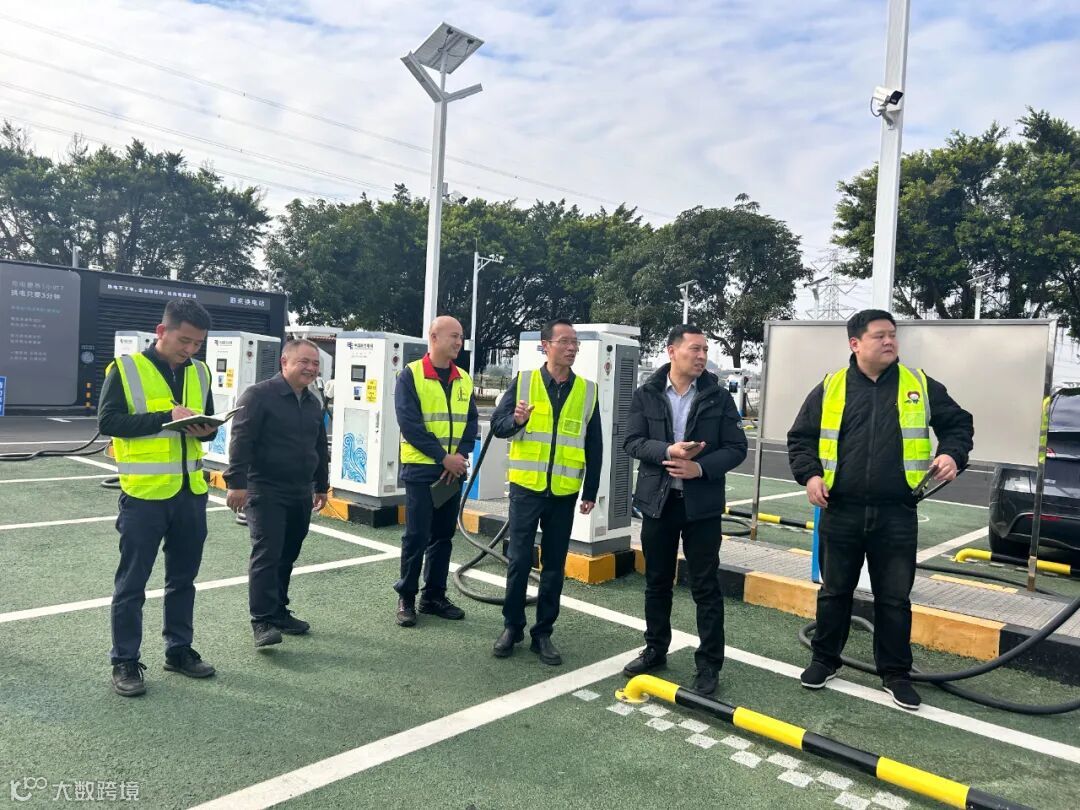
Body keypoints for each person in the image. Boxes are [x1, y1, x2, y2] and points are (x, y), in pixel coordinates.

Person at [787, 309, 973, 710]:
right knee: (834, 592)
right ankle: (824, 660)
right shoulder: (831, 386)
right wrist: (811, 476)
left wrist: (952, 454)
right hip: (841, 510)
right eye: (879, 336)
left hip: (897, 512)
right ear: (855, 344)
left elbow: (959, 425)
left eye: (893, 335)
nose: (889, 341)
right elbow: (800, 438)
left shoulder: (918, 384)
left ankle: (895, 674)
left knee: (894, 598)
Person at [98, 299, 218, 697]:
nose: (191, 349)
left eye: (198, 343)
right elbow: (108, 421)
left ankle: (178, 650)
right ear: (161, 331)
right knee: (132, 583)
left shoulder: (200, 372)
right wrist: (166, 419)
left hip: (191, 493)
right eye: (185, 341)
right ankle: (124, 660)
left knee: (183, 579)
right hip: (144, 495)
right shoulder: (126, 369)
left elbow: (209, 424)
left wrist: (206, 429)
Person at [622, 325, 747, 695]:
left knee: (706, 586)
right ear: (671, 351)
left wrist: (699, 468)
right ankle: (655, 649)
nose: (702, 356)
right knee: (657, 581)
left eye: (705, 349)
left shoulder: (718, 397)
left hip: (701, 507)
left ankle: (709, 665)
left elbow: (737, 447)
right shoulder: (647, 393)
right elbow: (632, 441)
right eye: (695, 348)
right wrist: (667, 451)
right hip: (658, 504)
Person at [489, 319, 602, 666]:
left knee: (554, 565)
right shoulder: (524, 382)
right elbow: (498, 426)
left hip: (564, 492)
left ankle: (543, 633)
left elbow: (594, 443)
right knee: (519, 560)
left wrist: (591, 490)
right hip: (527, 489)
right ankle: (512, 627)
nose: (571, 347)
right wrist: (517, 421)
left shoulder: (587, 391)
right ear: (545, 345)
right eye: (564, 341)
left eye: (575, 342)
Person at [225, 339, 330, 648]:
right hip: (265, 489)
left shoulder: (312, 402)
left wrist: (321, 485)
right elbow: (241, 440)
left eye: (315, 363)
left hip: (300, 490)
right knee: (267, 553)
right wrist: (236, 483)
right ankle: (262, 620)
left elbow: (318, 446)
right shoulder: (258, 396)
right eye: (303, 362)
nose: (310, 368)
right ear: (284, 362)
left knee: (288, 553)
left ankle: (279, 611)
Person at [393, 316, 479, 627]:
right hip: (422, 468)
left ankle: (434, 596)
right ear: (434, 337)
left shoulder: (463, 378)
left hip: (452, 470)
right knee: (416, 536)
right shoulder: (411, 375)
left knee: (443, 536)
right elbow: (410, 424)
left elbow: (471, 422)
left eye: (461, 337)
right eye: (453, 336)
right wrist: (443, 458)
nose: (459, 342)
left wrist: (460, 456)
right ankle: (406, 597)